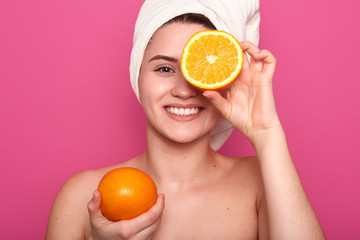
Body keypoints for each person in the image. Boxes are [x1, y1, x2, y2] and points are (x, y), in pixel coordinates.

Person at [46, 0, 326, 239]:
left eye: (201, 72)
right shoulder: (83, 196)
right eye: (165, 68)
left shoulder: (263, 184)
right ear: (137, 75)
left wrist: (266, 131)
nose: (183, 90)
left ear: (227, 80)